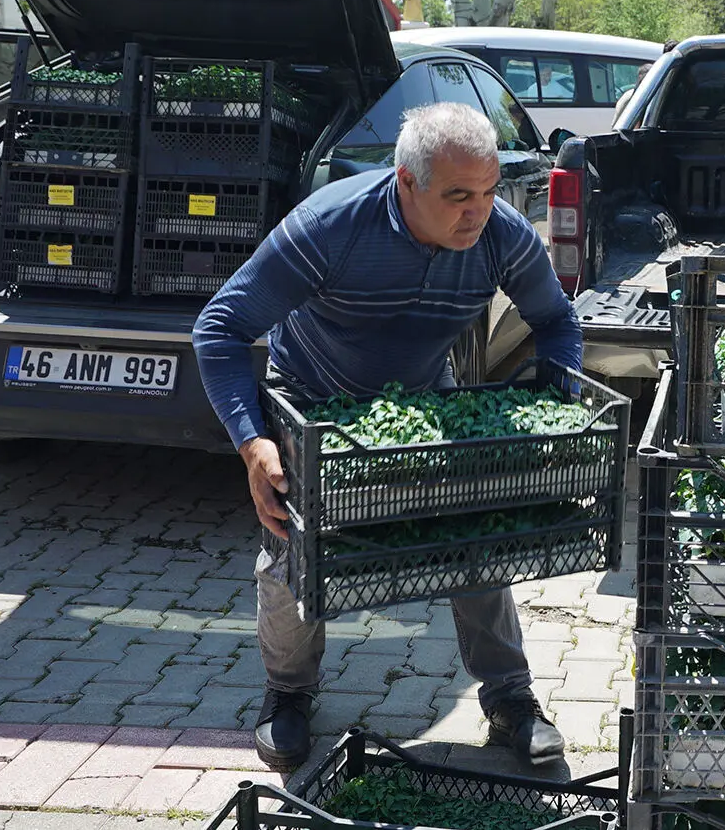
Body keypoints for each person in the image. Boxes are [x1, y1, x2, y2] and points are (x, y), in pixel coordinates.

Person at [193, 103, 583, 771]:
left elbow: (556, 320)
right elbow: (220, 328)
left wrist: (560, 400)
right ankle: (288, 693)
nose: (478, 211)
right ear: (407, 181)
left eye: (489, 191)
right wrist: (252, 442)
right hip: (316, 401)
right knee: (295, 547)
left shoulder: (502, 234)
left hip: (423, 398)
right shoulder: (330, 227)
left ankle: (511, 700)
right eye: (458, 196)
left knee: (474, 530)